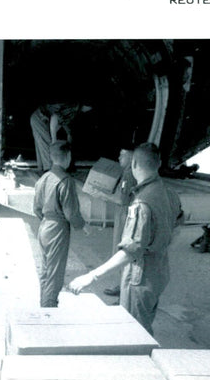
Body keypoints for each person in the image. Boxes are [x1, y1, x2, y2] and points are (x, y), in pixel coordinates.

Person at [68, 143, 182, 336]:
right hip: (161, 270)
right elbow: (178, 226)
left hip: (141, 276)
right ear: (159, 163)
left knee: (134, 333)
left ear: (134, 164)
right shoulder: (169, 193)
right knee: (144, 323)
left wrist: (92, 276)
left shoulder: (141, 203)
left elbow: (130, 252)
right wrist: (159, 245)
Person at [33, 141, 87, 307]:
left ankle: (44, 302)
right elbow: (71, 212)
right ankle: (49, 307)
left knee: (45, 269)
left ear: (50, 157)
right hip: (58, 228)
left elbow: (36, 208)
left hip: (44, 226)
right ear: (68, 157)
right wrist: (82, 225)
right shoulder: (65, 180)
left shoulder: (43, 179)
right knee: (55, 273)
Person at [104, 148, 138, 297]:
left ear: (130, 157)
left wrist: (102, 194)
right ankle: (123, 287)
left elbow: (122, 199)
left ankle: (123, 291)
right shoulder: (131, 172)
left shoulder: (128, 174)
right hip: (126, 213)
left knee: (121, 251)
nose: (119, 158)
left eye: (122, 155)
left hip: (124, 214)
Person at [30, 102, 92, 172]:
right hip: (39, 118)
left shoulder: (75, 112)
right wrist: (54, 141)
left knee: (42, 145)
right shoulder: (71, 108)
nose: (89, 110)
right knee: (48, 147)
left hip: (41, 119)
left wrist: (69, 146)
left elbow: (68, 131)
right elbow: (54, 118)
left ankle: (43, 171)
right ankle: (51, 172)